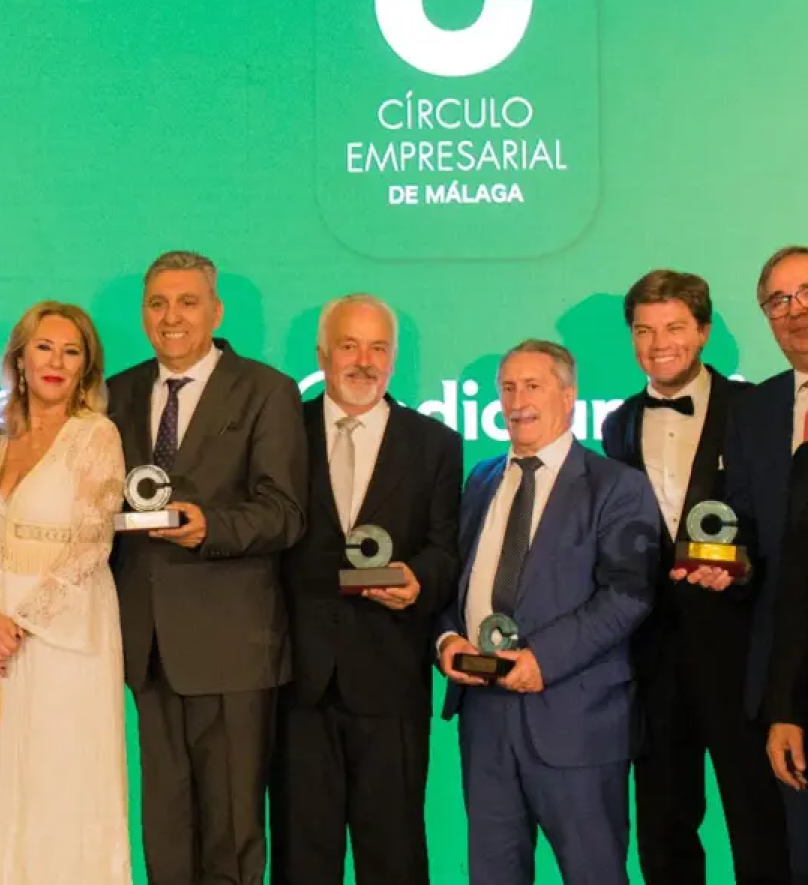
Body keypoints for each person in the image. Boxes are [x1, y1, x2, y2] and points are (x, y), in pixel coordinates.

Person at [107, 249, 308, 885]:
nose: (172, 317)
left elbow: (285, 513)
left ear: (216, 312)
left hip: (231, 649)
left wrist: (210, 528)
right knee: (165, 833)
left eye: (187, 302)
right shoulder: (116, 392)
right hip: (146, 646)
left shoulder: (267, 390)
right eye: (158, 303)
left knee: (231, 833)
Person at [436, 340, 656, 885]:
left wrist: (543, 660)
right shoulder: (481, 479)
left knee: (593, 873)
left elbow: (629, 594)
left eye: (532, 386)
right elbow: (455, 582)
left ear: (569, 394)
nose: (518, 401)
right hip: (485, 721)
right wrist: (447, 640)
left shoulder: (617, 485)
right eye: (508, 388)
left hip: (576, 721)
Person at [599, 270, 788, 884]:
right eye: (644, 330)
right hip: (652, 655)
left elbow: (782, 522)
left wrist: (743, 567)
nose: (660, 344)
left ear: (703, 331)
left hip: (739, 648)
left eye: (675, 327)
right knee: (663, 821)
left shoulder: (756, 407)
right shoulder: (618, 424)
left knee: (758, 816)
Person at [270, 294, 460, 885]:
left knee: (394, 858)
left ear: (394, 357)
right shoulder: (280, 431)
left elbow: (446, 549)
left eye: (378, 347)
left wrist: (419, 580)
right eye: (349, 346)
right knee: (302, 861)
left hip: (392, 679)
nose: (364, 361)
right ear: (322, 355)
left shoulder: (435, 443)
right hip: (298, 683)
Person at [0, 301, 130, 884]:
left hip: (67, 636)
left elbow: (92, 543)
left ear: (86, 368)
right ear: (19, 359)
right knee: (0, 778)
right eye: (44, 347)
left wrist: (21, 624)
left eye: (71, 351)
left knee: (63, 779)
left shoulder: (96, 435)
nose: (56, 362)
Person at [750, 246, 808, 875]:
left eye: (807, 292)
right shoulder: (755, 409)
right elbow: (789, 578)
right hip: (790, 683)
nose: (796, 311)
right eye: (779, 301)